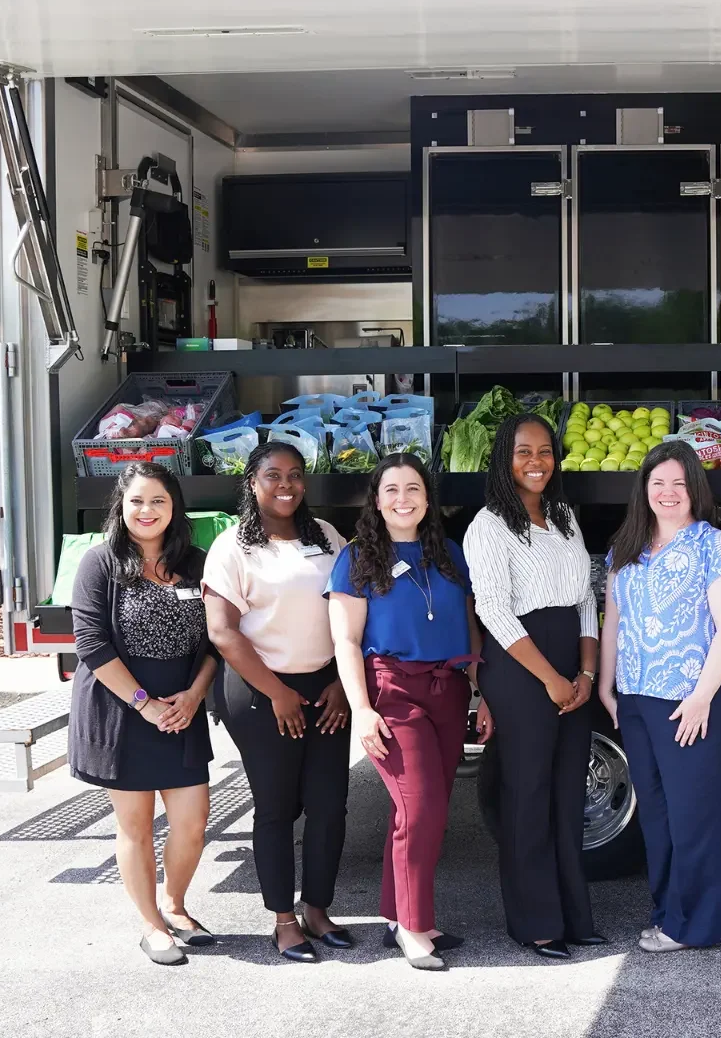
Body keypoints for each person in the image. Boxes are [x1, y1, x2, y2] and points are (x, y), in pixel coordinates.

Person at [327, 453, 481, 970]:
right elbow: (346, 639)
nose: (402, 499)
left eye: (413, 488)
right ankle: (415, 928)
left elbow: (471, 626)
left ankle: (401, 914)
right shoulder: (356, 558)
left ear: (427, 498)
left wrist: (482, 692)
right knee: (422, 808)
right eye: (391, 490)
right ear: (376, 499)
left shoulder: (449, 553)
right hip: (393, 691)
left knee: (412, 811)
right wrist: (362, 710)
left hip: (449, 687)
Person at [202, 442, 352, 962]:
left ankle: (317, 909)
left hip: (326, 688)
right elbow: (223, 634)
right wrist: (278, 693)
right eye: (272, 475)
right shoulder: (232, 548)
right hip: (261, 693)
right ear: (252, 482)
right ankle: (283, 920)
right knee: (276, 808)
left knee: (330, 804)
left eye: (294, 474)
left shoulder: (327, 537)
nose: (285, 484)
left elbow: (351, 611)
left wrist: (339, 681)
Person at [66, 461, 220, 966]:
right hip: (122, 712)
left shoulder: (198, 564)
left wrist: (195, 695)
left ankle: (176, 906)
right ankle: (152, 924)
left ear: (174, 508)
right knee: (135, 826)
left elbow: (219, 640)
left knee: (193, 822)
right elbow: (90, 642)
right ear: (121, 506)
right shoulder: (100, 562)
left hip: (182, 710)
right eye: (136, 501)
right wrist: (145, 705)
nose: (147, 510)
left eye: (158, 501)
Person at [463, 413, 604, 960]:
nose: (536, 462)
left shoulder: (565, 516)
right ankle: (534, 923)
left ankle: (573, 915)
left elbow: (585, 598)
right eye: (524, 451)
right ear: (505, 457)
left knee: (568, 794)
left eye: (545, 451)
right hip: (522, 668)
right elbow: (494, 610)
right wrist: (550, 679)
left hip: (571, 659)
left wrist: (586, 673)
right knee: (527, 795)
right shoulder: (488, 525)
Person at [599, 442, 721, 954]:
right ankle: (668, 915)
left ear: (694, 491)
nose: (667, 493)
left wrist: (704, 696)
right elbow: (613, 619)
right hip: (636, 699)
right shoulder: (627, 547)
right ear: (644, 489)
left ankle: (696, 926)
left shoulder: (715, 546)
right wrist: (604, 684)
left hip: (689, 703)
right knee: (657, 815)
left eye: (679, 484)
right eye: (657, 482)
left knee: (693, 816)